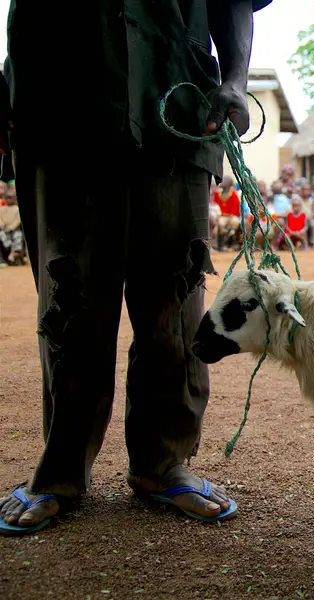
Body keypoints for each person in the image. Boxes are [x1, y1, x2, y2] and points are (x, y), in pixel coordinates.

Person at [0, 0, 271, 535]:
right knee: (69, 307)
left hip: (177, 107)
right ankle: (59, 474)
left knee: (175, 305)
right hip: (61, 106)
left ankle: (163, 462)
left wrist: (236, 78)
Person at [214, 175, 242, 251]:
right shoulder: (217, 194)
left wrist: (231, 216)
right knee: (221, 223)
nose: (222, 182)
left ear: (229, 184)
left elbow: (236, 206)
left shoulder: (233, 194)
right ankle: (222, 244)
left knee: (234, 222)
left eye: (224, 181)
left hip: (232, 216)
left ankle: (233, 243)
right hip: (221, 216)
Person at [0, 184, 24, 266]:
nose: (8, 199)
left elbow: (18, 220)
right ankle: (5, 258)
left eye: (10, 197)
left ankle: (14, 256)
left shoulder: (17, 209)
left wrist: (11, 228)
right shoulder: (2, 209)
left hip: (14, 230)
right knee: (2, 236)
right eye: (6, 197)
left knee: (18, 236)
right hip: (3, 230)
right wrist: (3, 226)